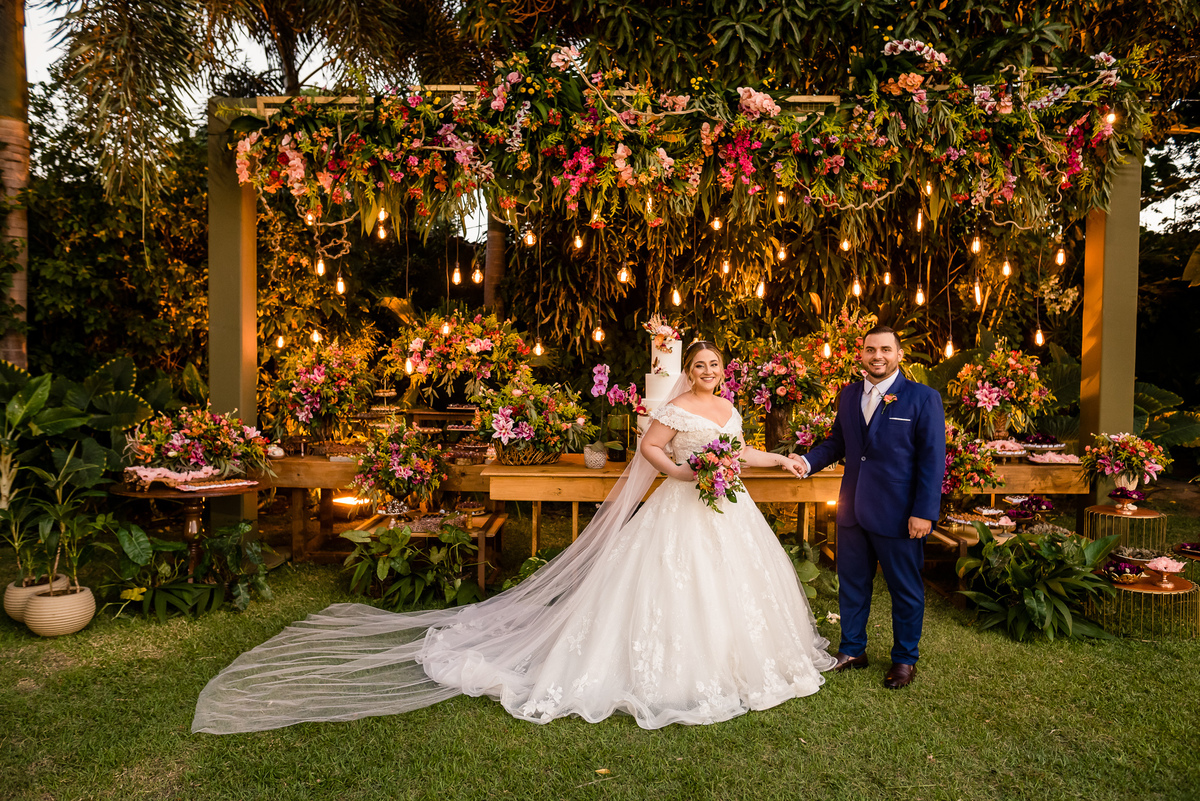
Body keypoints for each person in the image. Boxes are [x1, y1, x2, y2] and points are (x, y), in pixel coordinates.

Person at [192, 341, 835, 734]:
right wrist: (687, 470)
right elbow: (652, 451)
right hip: (681, 504)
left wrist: (778, 461)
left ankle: (736, 665)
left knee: (732, 591)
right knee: (663, 589)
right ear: (685, 371)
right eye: (697, 365)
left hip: (726, 509)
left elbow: (737, 450)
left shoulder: (727, 410)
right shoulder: (673, 409)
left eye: (713, 365)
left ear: (724, 371)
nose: (706, 372)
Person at [792, 325, 945, 689]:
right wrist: (808, 462)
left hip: (900, 514)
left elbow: (932, 459)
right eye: (870, 349)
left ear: (899, 354)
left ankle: (905, 660)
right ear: (860, 354)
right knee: (853, 585)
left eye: (886, 350)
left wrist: (924, 512)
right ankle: (852, 649)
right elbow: (837, 442)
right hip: (852, 510)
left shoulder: (923, 398)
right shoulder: (848, 395)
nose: (878, 356)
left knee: (904, 589)